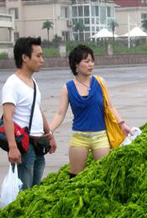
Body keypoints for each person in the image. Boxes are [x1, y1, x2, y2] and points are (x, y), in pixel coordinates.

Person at [49, 45, 131, 179]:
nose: (91, 64)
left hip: (100, 137)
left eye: (92, 61)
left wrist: (122, 124)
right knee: (75, 178)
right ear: (76, 64)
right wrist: (50, 130)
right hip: (79, 137)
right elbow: (60, 113)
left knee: (103, 176)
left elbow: (110, 107)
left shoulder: (100, 82)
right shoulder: (67, 88)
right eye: (86, 61)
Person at [2, 37, 57, 190]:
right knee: (24, 193)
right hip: (25, 147)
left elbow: (37, 110)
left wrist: (49, 134)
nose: (42, 60)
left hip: (38, 144)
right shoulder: (12, 84)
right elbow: (7, 117)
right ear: (25, 58)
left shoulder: (33, 82)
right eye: (38, 56)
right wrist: (13, 147)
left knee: (35, 191)